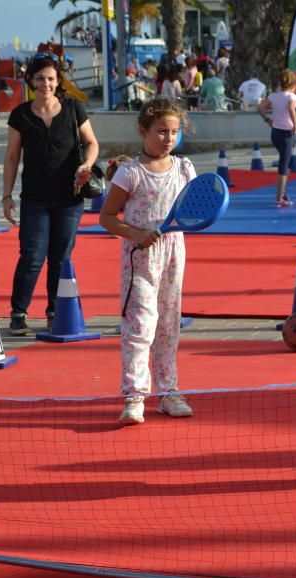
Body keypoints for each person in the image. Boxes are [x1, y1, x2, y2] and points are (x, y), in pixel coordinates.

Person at [95, 98, 196, 424]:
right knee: (140, 326)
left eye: (174, 132)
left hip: (173, 254)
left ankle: (169, 392)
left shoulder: (184, 168)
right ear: (143, 131)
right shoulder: (130, 173)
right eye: (161, 131)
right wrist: (136, 234)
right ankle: (135, 396)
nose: (168, 138)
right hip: (140, 259)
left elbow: (193, 208)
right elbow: (107, 217)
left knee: (168, 325)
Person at [1, 51, 99, 336]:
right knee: (31, 255)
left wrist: (86, 164)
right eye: (41, 78)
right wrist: (6, 196)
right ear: (31, 80)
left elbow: (92, 142)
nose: (46, 83)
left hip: (70, 196)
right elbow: (11, 157)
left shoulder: (73, 108)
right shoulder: (20, 115)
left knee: (61, 256)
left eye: (52, 79)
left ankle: (55, 311)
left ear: (59, 81)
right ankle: (19, 312)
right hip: (34, 197)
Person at [257, 69, 296, 207]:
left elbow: (260, 108)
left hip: (275, 133)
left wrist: (267, 120)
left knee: (286, 164)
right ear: (293, 84)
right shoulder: (291, 97)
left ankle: (282, 191)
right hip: (287, 133)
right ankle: (279, 199)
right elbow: (292, 109)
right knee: (283, 166)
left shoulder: (273, 96)